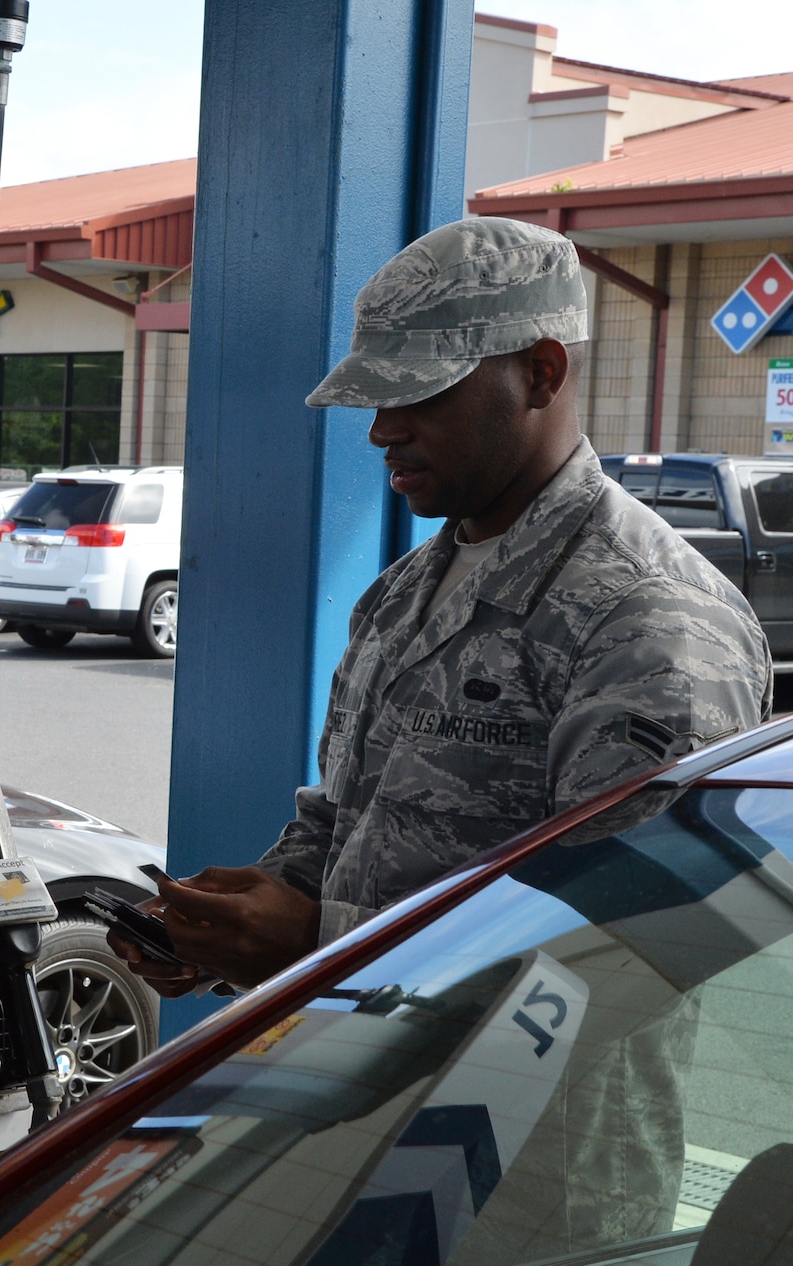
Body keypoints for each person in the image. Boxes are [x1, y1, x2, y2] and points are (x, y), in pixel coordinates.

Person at [116, 217, 770, 997]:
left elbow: (639, 943)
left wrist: (319, 943)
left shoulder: (650, 620)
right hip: (354, 1087)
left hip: (532, 1116)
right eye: (376, 396)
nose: (382, 429)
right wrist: (238, 922)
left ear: (542, 372)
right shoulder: (402, 594)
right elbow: (342, 822)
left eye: (419, 392)